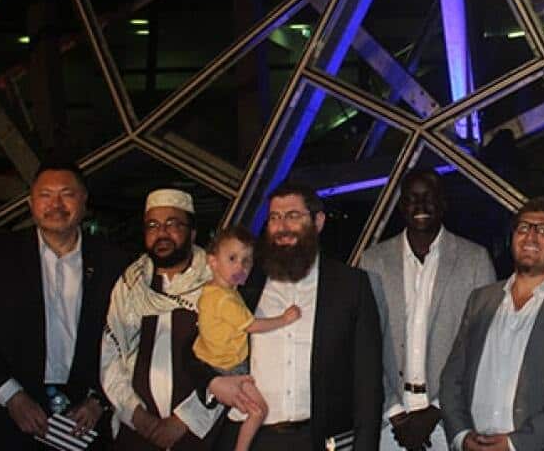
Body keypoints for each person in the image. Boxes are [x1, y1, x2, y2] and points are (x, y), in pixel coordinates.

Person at [0, 162, 130, 449]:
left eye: (66, 194)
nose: (56, 204)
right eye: (46, 195)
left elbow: (131, 339)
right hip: (6, 417)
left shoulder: (114, 263)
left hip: (84, 419)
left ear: (84, 200)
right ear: (31, 203)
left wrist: (100, 400)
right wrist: (11, 395)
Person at [205, 182, 383, 451]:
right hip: (252, 439)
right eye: (275, 218)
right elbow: (194, 347)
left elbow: (367, 382)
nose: (282, 227)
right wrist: (213, 382)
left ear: (318, 221)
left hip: (318, 440)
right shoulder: (244, 282)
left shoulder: (351, 285)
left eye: (293, 216)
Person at [439, 197, 544, 451]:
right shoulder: (481, 300)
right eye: (523, 228)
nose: (531, 237)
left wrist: (516, 443)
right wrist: (461, 435)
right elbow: (452, 377)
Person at [359, 170, 496, 451]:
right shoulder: (373, 260)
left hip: (452, 421)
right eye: (411, 199)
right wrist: (395, 413)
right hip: (390, 422)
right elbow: (364, 343)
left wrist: (435, 410)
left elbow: (483, 343)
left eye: (428, 198)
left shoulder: (475, 260)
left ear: (443, 202)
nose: (420, 206)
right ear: (401, 206)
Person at [100, 188, 236, 450]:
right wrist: (139, 417)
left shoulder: (219, 284)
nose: (161, 233)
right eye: (153, 225)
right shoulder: (130, 284)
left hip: (200, 432)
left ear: (193, 232)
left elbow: (231, 362)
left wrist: (183, 421)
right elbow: (110, 357)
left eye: (172, 224)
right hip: (137, 432)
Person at [194, 226, 301, 451]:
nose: (240, 266)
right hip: (228, 368)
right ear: (212, 262)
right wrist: (284, 319)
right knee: (258, 410)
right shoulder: (226, 299)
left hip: (218, 362)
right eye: (232, 258)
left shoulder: (213, 291)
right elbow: (252, 326)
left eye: (246, 261)